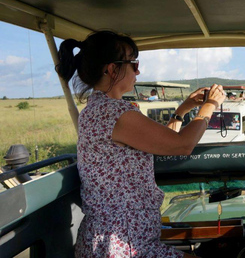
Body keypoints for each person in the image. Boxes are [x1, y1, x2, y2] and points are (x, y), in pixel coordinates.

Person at [56, 30, 225, 258]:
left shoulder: (99, 110)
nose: (138, 70)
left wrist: (182, 110)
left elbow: (163, 143)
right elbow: (182, 145)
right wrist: (211, 105)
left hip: (121, 239)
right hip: (122, 243)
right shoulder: (113, 113)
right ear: (112, 69)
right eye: (133, 64)